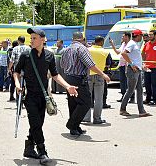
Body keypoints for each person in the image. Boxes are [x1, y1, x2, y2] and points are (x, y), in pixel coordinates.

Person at [14, 28, 78, 164]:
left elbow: (55, 74)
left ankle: (29, 148)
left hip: (43, 96)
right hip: (29, 95)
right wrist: (17, 83)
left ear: (43, 40)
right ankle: (42, 152)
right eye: (30, 38)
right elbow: (16, 71)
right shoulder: (25, 55)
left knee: (39, 123)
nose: (31, 40)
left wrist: (67, 86)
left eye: (34, 38)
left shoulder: (49, 56)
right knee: (36, 123)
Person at [61, 32, 111, 136]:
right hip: (79, 79)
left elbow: (62, 64)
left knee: (73, 103)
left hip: (68, 78)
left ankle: (75, 126)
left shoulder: (66, 49)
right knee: (86, 102)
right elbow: (90, 65)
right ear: (83, 39)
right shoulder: (81, 48)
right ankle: (72, 124)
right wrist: (103, 75)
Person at [119, 29, 151, 117]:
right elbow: (123, 53)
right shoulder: (132, 43)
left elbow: (135, 57)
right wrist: (131, 64)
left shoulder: (134, 44)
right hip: (132, 70)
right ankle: (122, 109)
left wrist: (141, 65)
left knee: (139, 90)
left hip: (137, 70)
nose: (142, 37)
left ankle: (141, 111)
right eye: (141, 36)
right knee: (130, 90)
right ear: (138, 36)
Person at [83, 36, 111, 124]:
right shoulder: (106, 52)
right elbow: (108, 64)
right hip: (100, 75)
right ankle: (97, 118)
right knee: (99, 99)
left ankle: (87, 118)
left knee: (88, 97)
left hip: (88, 75)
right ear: (102, 42)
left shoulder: (87, 50)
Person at [110, 33, 135, 103]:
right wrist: (112, 44)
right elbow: (118, 52)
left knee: (129, 82)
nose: (122, 37)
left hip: (128, 65)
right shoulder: (123, 44)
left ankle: (132, 97)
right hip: (122, 65)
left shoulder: (131, 44)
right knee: (122, 81)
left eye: (123, 36)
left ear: (127, 37)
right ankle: (123, 95)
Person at [9, 36, 31, 102]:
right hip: (27, 69)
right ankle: (24, 98)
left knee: (17, 84)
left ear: (18, 41)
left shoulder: (15, 48)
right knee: (25, 85)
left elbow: (12, 60)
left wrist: (9, 68)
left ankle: (18, 100)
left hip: (17, 69)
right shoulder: (28, 48)